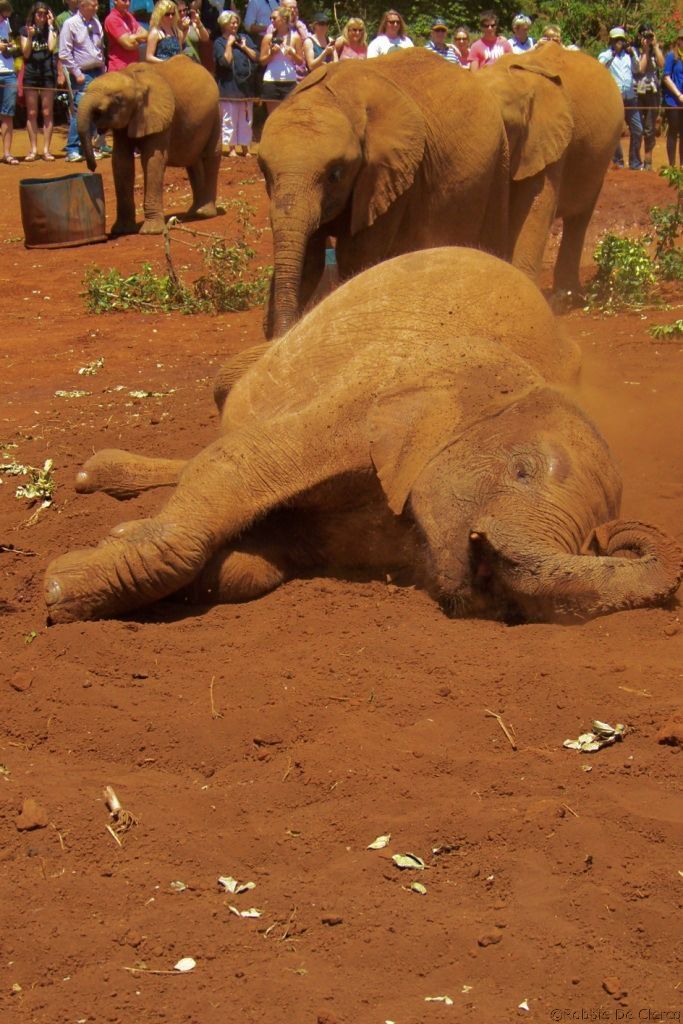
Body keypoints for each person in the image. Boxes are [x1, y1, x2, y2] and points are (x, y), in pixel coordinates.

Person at [58, 0, 106, 162]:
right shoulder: (70, 24)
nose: (97, 8)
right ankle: (72, 148)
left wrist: (103, 68)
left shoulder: (97, 23)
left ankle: (86, 148)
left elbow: (100, 48)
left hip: (97, 71)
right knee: (80, 111)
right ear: (83, 5)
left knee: (94, 111)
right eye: (94, 4)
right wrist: (76, 72)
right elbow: (64, 53)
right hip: (82, 73)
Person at [599, 27, 643, 170]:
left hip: (630, 97)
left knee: (637, 129)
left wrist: (633, 55)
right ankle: (617, 161)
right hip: (615, 99)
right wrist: (613, 54)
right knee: (615, 131)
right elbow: (599, 67)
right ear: (611, 41)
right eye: (617, 40)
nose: (620, 42)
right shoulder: (605, 55)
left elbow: (637, 70)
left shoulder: (630, 55)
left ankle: (635, 162)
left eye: (621, 39)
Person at [214, 9, 257, 156]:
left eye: (236, 22)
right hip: (228, 85)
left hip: (245, 85)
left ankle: (245, 147)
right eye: (231, 22)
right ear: (224, 24)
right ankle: (231, 148)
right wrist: (229, 44)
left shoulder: (245, 38)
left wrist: (244, 47)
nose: (235, 24)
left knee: (246, 118)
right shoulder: (219, 42)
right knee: (229, 118)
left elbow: (255, 57)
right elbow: (225, 62)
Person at [20, 2, 58, 161]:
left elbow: (50, 48)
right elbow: (26, 53)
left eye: (44, 14)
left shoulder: (52, 29)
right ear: (34, 15)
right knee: (32, 112)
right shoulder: (25, 30)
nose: (41, 17)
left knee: (47, 112)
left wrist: (50, 27)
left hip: (48, 74)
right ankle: (33, 149)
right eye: (39, 14)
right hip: (31, 74)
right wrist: (30, 36)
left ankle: (46, 150)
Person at [259, 6, 302, 113]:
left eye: (274, 18)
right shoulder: (268, 37)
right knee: (273, 116)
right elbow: (262, 61)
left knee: (289, 115)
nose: (271, 21)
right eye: (271, 18)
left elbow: (301, 61)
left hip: (289, 81)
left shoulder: (295, 37)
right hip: (271, 80)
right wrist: (272, 54)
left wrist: (293, 53)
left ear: (283, 19)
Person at [633, 24, 664, 171]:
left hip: (652, 92)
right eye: (645, 35)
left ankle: (648, 160)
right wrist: (645, 51)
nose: (647, 38)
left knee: (650, 128)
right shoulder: (633, 50)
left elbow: (661, 64)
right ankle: (635, 160)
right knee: (638, 127)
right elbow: (641, 69)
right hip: (638, 92)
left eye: (650, 35)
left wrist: (655, 46)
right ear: (639, 36)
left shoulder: (655, 49)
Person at [104, 0, 147, 70]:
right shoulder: (112, 19)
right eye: (124, 1)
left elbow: (146, 34)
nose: (128, 3)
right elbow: (128, 44)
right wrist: (138, 40)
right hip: (120, 68)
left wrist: (134, 37)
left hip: (134, 66)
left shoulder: (129, 16)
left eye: (129, 0)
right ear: (115, 1)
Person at [0, 0, 18, 164]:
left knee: (8, 114)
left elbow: (10, 44)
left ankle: (7, 153)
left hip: (9, 72)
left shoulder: (6, 23)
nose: (4, 18)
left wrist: (10, 46)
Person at [662, 31, 683, 167]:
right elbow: (666, 77)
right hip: (673, 101)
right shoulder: (671, 56)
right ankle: (672, 166)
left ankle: (682, 165)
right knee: (673, 131)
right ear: (678, 40)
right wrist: (679, 95)